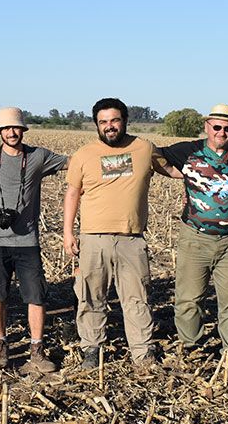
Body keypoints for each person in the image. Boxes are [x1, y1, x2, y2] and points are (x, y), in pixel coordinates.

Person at [156, 104, 228, 361]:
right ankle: (191, 346)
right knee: (189, 298)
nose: (221, 132)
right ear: (207, 127)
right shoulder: (188, 151)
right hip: (195, 237)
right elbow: (152, 153)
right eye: (217, 127)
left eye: (227, 128)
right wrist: (171, 171)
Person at [63, 97, 162, 371]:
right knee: (90, 296)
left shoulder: (144, 148)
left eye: (114, 120)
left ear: (125, 121)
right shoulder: (84, 154)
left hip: (131, 238)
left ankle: (142, 352)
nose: (109, 126)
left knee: (137, 297)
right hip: (93, 239)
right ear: (96, 124)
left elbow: (176, 168)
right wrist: (68, 233)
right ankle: (92, 349)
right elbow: (72, 193)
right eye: (103, 122)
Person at [0, 107, 67, 375]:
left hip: (27, 242)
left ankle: (37, 349)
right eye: (6, 128)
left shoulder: (38, 157)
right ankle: (1, 347)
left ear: (23, 130)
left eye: (16, 128)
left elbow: (77, 163)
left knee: (36, 296)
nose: (12, 133)